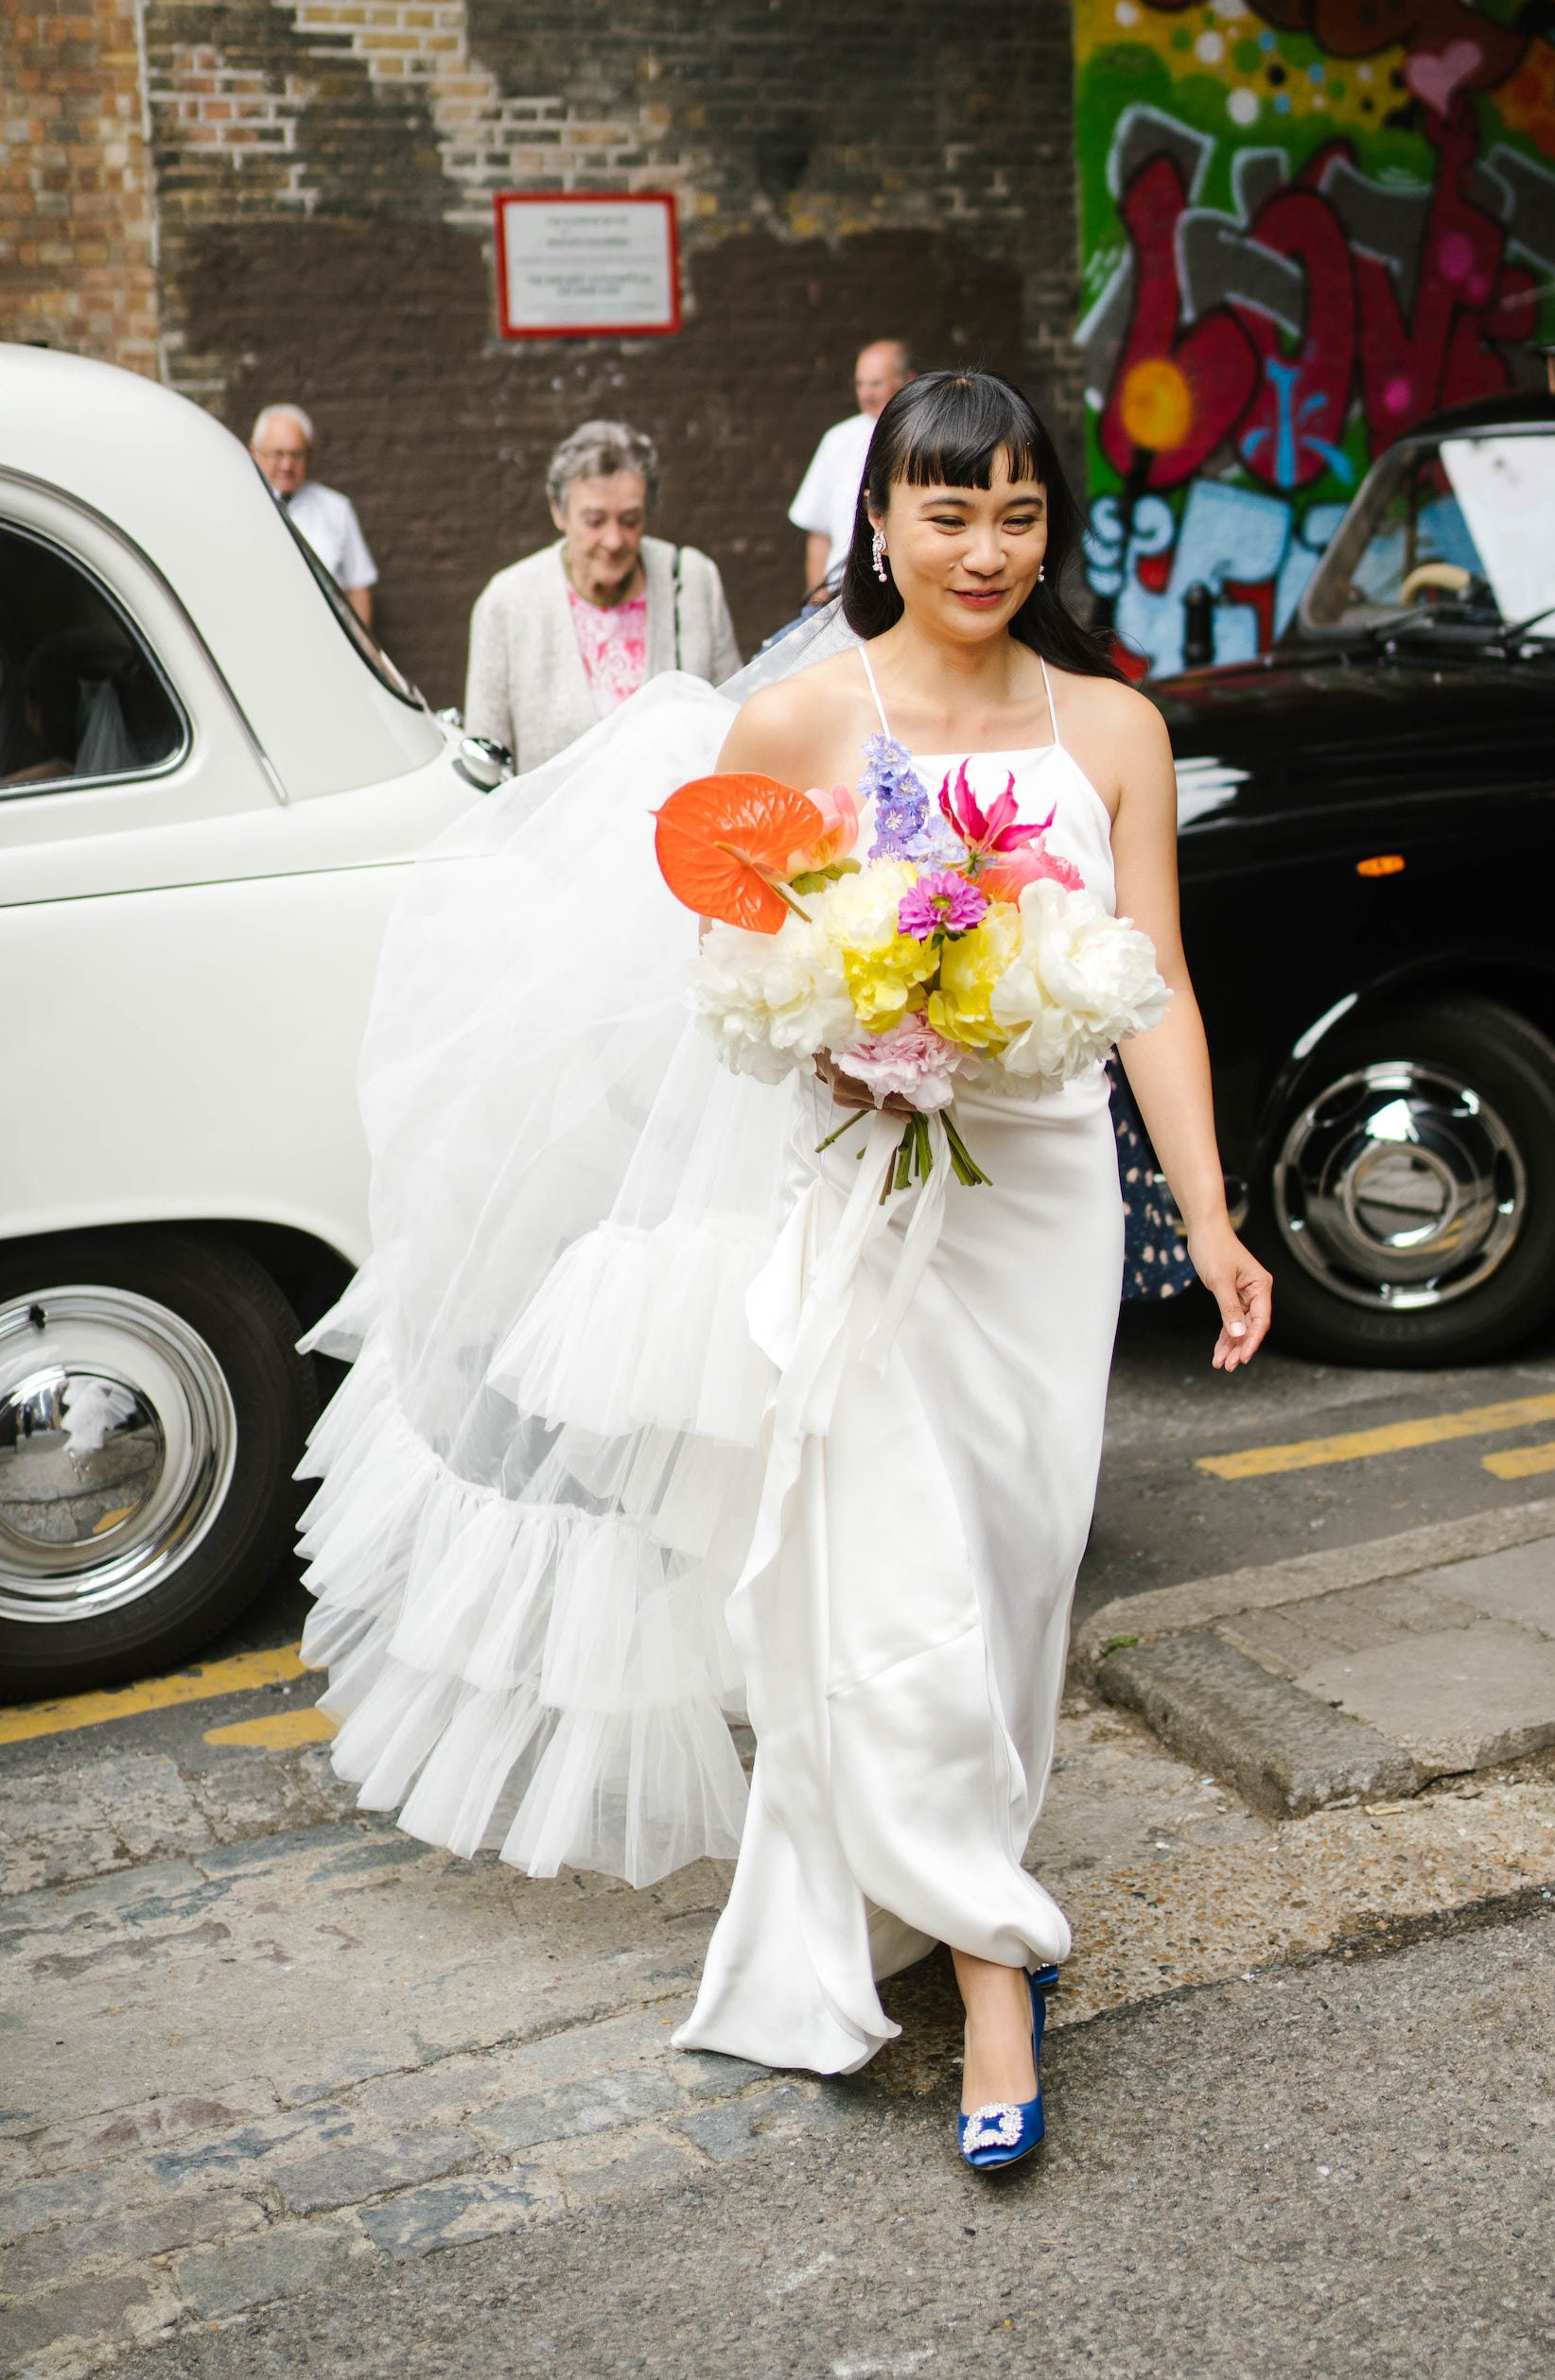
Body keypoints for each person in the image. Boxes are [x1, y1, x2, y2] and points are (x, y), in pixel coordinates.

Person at [294, 370, 1271, 2180]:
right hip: (871, 1213)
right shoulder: (805, 721)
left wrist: (1207, 1217)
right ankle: (996, 1973)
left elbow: (1162, 994)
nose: (986, 549)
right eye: (948, 512)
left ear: (1054, 530)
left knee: (1010, 1582)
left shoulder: (1115, 731)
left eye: (1020, 515)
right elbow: (720, 979)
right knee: (896, 1585)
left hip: (1045, 1211)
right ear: (875, 528)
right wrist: (838, 1042)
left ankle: (941, 1873)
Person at [463, 418, 742, 773]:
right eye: (595, 521)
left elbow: (732, 722)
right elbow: (485, 761)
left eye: (630, 520)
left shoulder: (693, 581)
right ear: (557, 511)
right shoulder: (507, 602)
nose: (614, 540)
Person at [789, 338, 912, 598]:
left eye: (876, 383)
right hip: (842, 594)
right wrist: (816, 600)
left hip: (906, 592)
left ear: (907, 380)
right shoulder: (838, 439)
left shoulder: (927, 438)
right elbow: (819, 532)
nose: (866, 394)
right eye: (860, 384)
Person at [250, 405, 378, 626]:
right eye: (277, 454)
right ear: (254, 452)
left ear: (310, 455)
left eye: (296, 454)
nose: (287, 465)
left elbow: (358, 587)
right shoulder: (238, 507)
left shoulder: (336, 509)